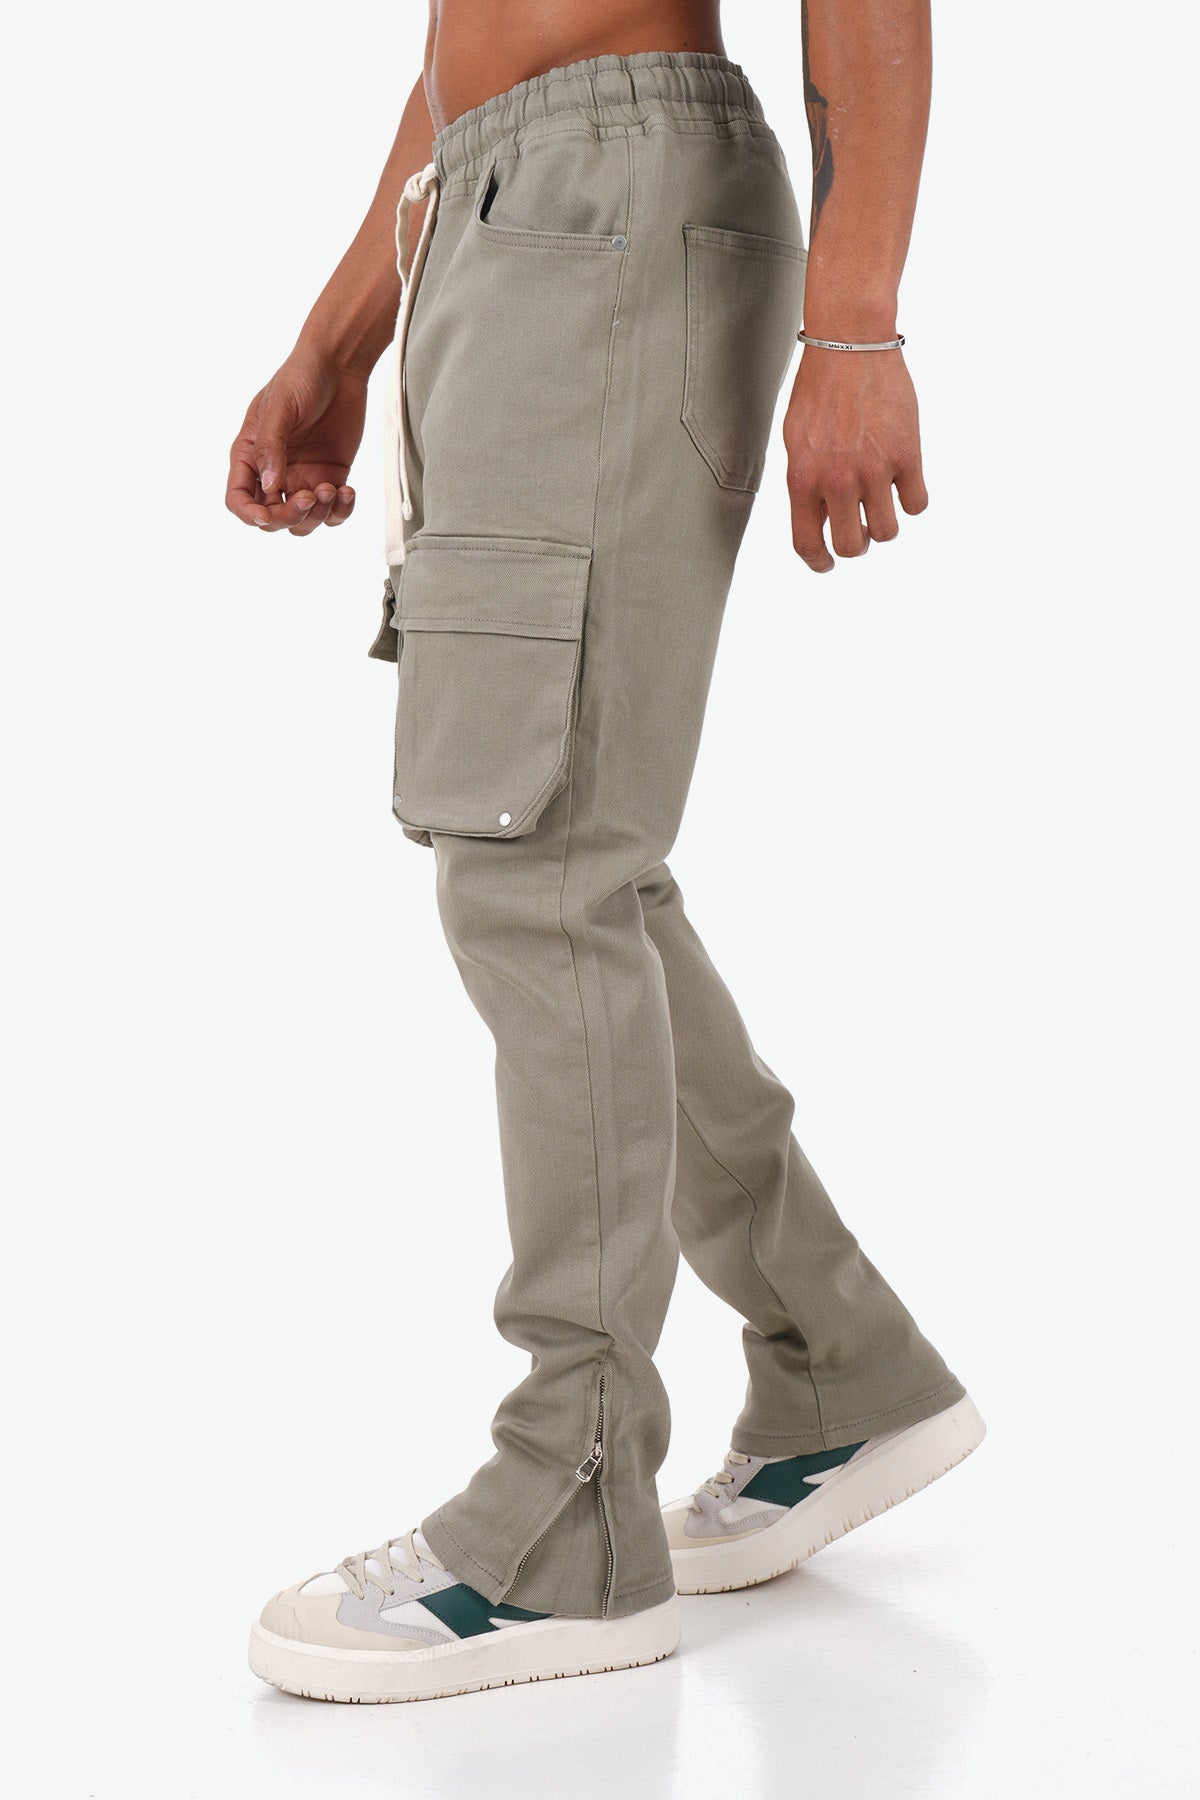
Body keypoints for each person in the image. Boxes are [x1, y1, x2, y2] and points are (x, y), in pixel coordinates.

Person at [228, 0, 984, 1706]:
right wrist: (341, 338)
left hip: (602, 208)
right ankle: (841, 1362)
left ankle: (566, 1518)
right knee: (581, 855)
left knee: (542, 859)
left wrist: (857, 321)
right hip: (501, 213)